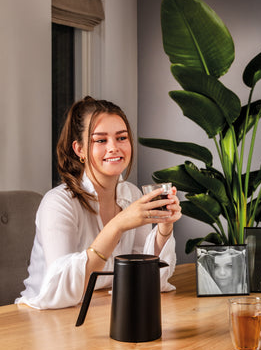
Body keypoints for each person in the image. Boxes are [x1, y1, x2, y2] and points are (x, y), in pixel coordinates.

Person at [17, 97, 181, 310]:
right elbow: (61, 289)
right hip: (41, 317)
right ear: (79, 150)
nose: (114, 148)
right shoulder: (58, 203)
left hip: (100, 310)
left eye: (121, 138)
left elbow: (145, 277)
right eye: (100, 140)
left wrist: (164, 226)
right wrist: (117, 225)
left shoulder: (130, 194)